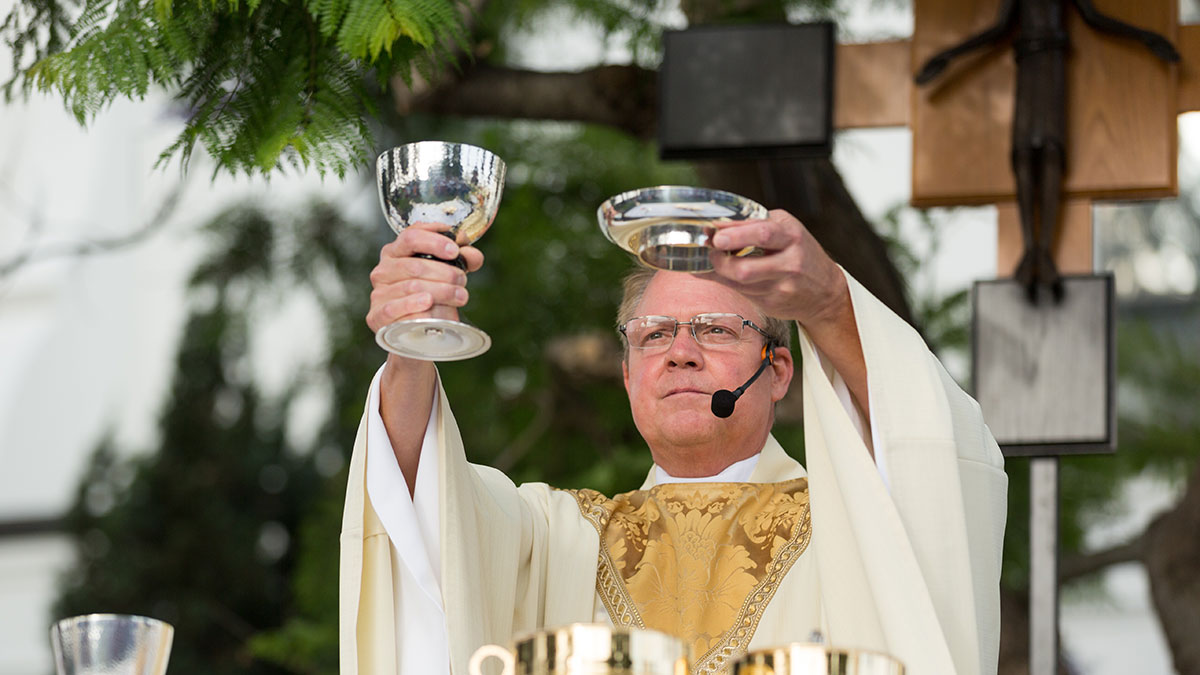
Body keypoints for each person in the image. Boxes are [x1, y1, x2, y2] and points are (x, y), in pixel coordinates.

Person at [340, 208, 1008, 675]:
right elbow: (421, 514)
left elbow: (936, 467)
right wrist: (412, 346)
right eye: (655, 334)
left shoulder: (852, 523)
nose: (680, 353)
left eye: (715, 329)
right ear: (629, 376)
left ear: (778, 372)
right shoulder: (561, 537)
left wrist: (830, 302)